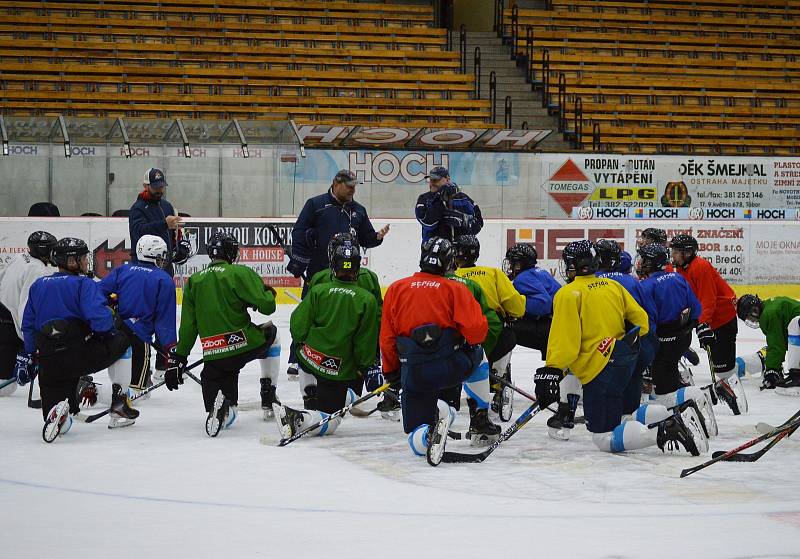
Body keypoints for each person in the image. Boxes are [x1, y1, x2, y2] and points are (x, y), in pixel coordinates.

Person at [535, 240, 708, 456]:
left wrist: (552, 370)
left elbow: (565, 341)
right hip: (625, 358)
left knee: (603, 437)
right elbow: (642, 321)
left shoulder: (567, 294)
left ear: (572, 265)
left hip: (599, 370)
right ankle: (668, 415)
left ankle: (667, 430)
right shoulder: (612, 286)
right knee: (625, 417)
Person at [380, 237, 490, 464]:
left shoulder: (396, 289)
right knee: (480, 354)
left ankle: (427, 434)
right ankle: (480, 416)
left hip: (413, 374)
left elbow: (387, 339)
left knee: (417, 435)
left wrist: (392, 372)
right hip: (450, 367)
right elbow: (477, 332)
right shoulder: (455, 289)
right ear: (449, 263)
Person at [168, 233, 281, 437]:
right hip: (244, 343)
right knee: (273, 334)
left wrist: (179, 358)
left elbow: (188, 326)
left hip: (214, 354)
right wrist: (266, 294)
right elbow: (267, 306)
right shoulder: (239, 273)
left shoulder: (194, 281)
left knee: (228, 408)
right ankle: (268, 395)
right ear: (231, 252)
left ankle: (221, 411)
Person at [21, 238, 133, 440]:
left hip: (49, 362)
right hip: (78, 356)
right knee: (123, 341)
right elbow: (100, 323)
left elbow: (28, 326)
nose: (85, 262)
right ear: (72, 261)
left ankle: (62, 413)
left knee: (59, 421)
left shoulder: (38, 286)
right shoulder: (84, 284)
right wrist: (113, 320)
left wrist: (31, 354)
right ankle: (120, 402)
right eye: (82, 257)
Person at [285, 169, 389, 380]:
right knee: (309, 313)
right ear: (336, 183)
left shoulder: (358, 210)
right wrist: (300, 259)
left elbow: (366, 237)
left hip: (348, 273)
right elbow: (299, 232)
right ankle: (296, 357)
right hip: (319, 271)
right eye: (349, 185)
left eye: (354, 186)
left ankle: (350, 355)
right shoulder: (316, 205)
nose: (352, 190)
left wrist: (377, 237)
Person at [273, 242, 379, 440]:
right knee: (331, 421)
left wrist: (304, 346)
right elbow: (366, 342)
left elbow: (297, 327)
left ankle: (310, 397)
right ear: (358, 268)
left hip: (309, 360)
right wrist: (364, 367)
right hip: (337, 371)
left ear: (333, 265)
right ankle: (299, 418)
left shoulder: (318, 291)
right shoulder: (367, 300)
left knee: (305, 359)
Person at [299, 233, 385, 413]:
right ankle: (350, 396)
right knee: (340, 401)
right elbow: (377, 319)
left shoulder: (320, 279)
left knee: (298, 347)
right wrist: (369, 363)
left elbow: (299, 325)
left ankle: (310, 394)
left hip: (318, 357)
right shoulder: (369, 279)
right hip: (353, 361)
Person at [637, 244, 717, 437]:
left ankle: (695, 398)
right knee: (669, 375)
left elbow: (650, 321)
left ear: (650, 262)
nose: (640, 263)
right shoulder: (678, 278)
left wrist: (648, 344)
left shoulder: (646, 286)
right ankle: (687, 411)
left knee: (664, 390)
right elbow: (696, 310)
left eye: (643, 259)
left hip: (663, 343)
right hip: (682, 339)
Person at [671, 234, 746, 415]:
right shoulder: (682, 269)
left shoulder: (700, 267)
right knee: (719, 367)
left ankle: (734, 394)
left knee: (723, 369)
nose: (672, 254)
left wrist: (704, 324)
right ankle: (722, 389)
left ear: (687, 253)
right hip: (709, 318)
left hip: (722, 319)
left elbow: (708, 299)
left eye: (676, 251)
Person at [97, 235, 177, 401]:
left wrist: (111, 301)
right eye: (161, 255)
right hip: (139, 339)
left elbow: (97, 293)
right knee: (138, 394)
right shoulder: (164, 279)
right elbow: (165, 321)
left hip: (116, 332)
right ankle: (95, 393)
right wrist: (171, 349)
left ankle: (103, 392)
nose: (163, 259)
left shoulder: (123, 270)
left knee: (120, 380)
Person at [453, 235, 524, 421]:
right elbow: (516, 306)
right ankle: (497, 380)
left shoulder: (450, 278)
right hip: (491, 331)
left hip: (458, 338)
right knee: (508, 336)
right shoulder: (493, 273)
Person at [0, 232, 56, 400]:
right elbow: (27, 308)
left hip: (3, 310)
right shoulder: (38, 271)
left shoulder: (20, 256)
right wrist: (30, 345)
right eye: (52, 249)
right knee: (6, 387)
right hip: (11, 321)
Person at [129, 168, 192, 276]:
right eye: (155, 187)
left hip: (165, 266)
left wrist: (177, 248)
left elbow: (171, 237)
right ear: (145, 186)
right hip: (143, 267)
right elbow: (138, 232)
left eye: (161, 186)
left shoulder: (167, 206)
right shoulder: (138, 208)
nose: (159, 190)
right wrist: (164, 224)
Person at [736, 294, 800, 395]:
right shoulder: (769, 306)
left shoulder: (769, 314)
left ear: (755, 310)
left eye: (749, 316)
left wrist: (772, 369)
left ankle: (796, 376)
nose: (751, 320)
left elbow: (776, 345)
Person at [414, 166, 483, 243]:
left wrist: (464, 221)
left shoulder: (463, 199)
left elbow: (479, 223)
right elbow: (428, 224)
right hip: (434, 252)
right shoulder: (424, 199)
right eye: (430, 180)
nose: (432, 183)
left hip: (459, 251)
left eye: (436, 180)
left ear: (448, 179)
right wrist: (440, 198)